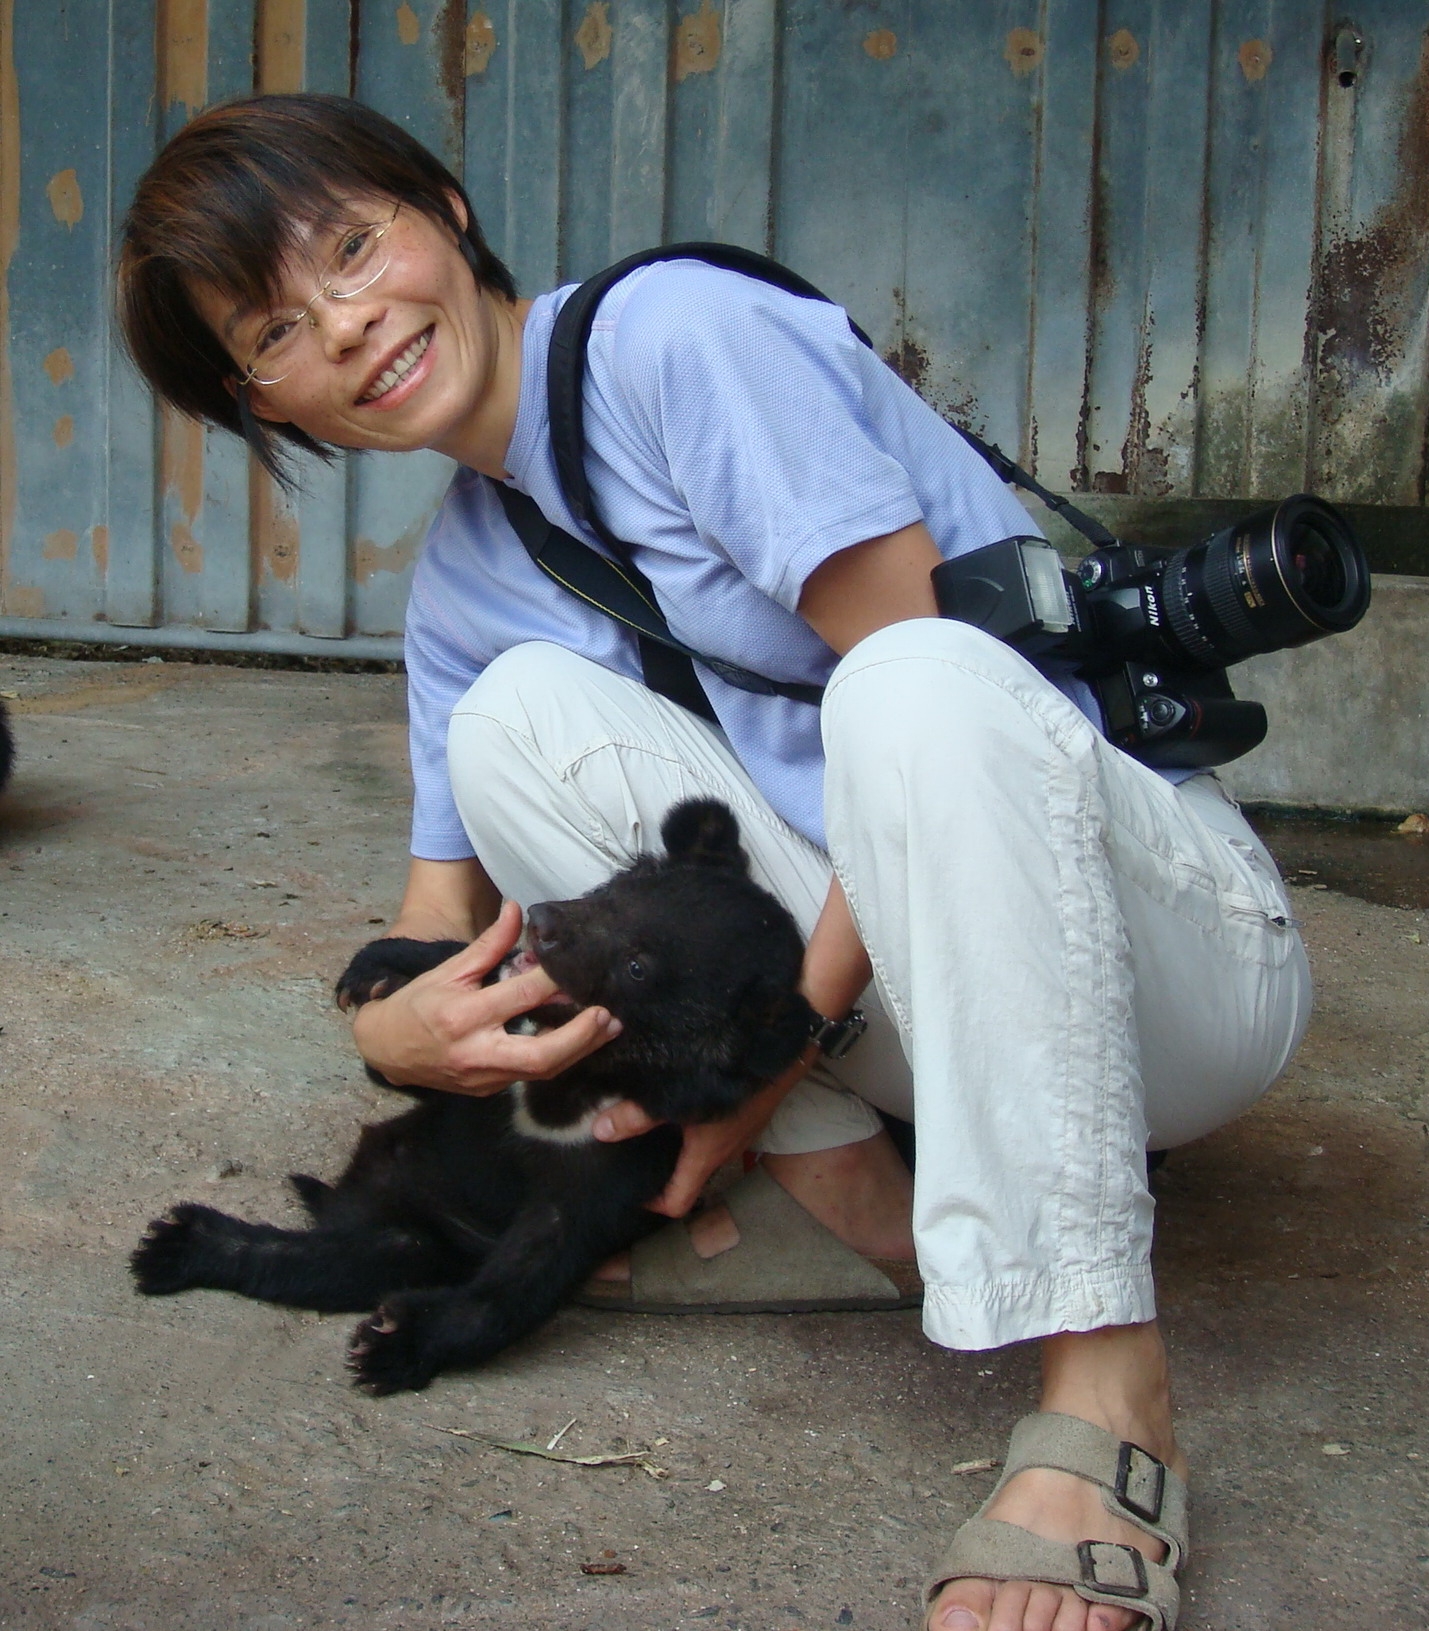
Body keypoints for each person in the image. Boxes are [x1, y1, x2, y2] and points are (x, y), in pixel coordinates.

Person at [118, 93, 1311, 1631]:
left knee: (909, 685)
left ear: (449, 211)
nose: (347, 327)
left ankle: (1106, 1383)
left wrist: (756, 1070)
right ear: (262, 405)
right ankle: (860, 1199)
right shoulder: (466, 583)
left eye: (355, 247)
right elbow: (433, 926)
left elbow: (929, 701)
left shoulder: (676, 341)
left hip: (1159, 959)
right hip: (915, 1019)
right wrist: (391, 1032)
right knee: (509, 726)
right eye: (275, 331)